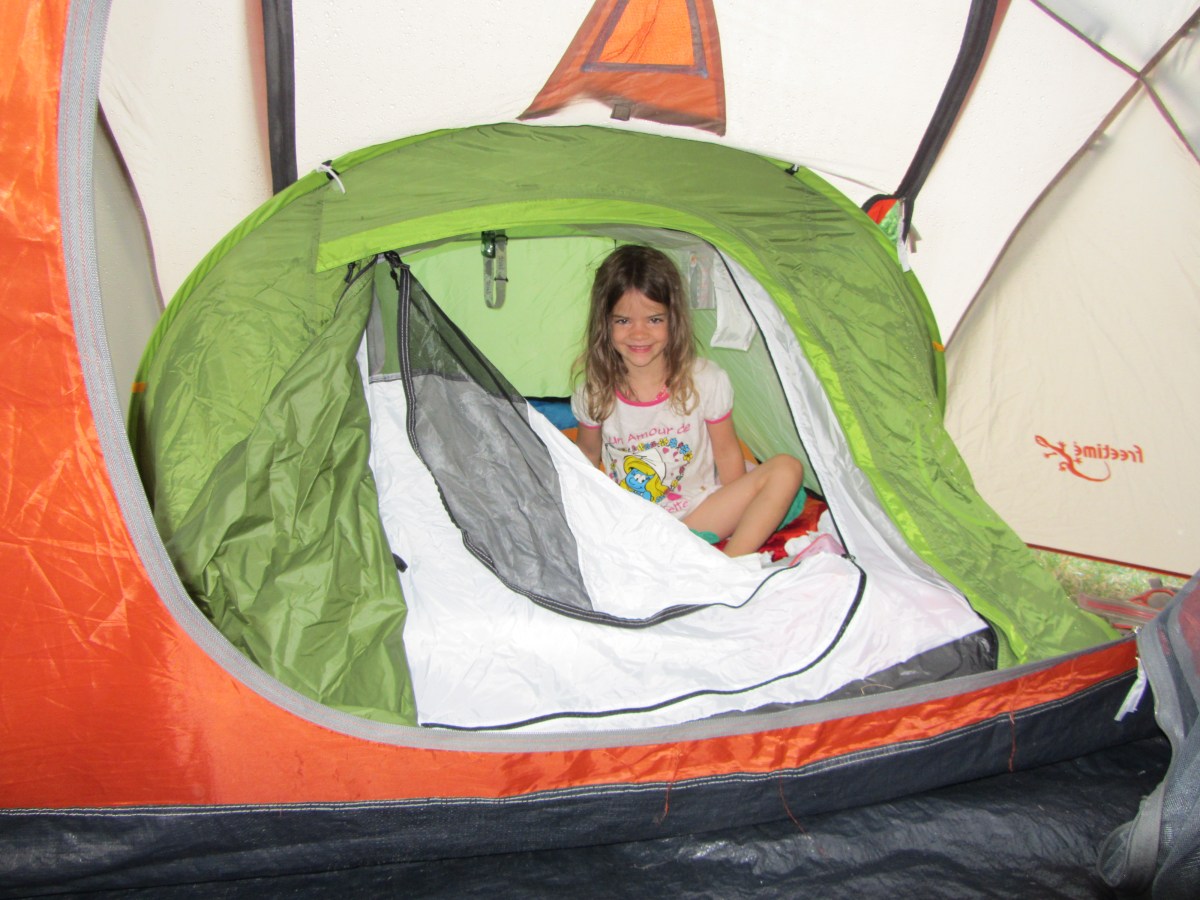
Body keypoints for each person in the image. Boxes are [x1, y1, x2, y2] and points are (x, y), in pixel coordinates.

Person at [571, 245, 805, 558]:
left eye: (654, 319)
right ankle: (677, 558)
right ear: (605, 323)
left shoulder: (706, 380)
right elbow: (586, 456)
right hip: (638, 527)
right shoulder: (594, 392)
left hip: (699, 515)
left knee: (787, 469)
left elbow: (726, 451)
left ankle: (729, 565)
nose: (639, 334)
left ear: (674, 320)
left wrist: (740, 505)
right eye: (623, 321)